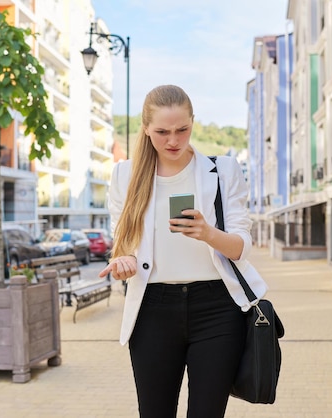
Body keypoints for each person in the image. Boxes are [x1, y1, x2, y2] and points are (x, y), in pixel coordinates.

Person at [99, 85, 268, 418]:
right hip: (152, 310)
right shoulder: (125, 175)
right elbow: (124, 247)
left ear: (193, 123)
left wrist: (208, 233)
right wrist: (124, 262)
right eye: (162, 131)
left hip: (217, 309)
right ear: (146, 128)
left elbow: (241, 248)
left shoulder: (222, 171)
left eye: (182, 130)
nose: (173, 140)